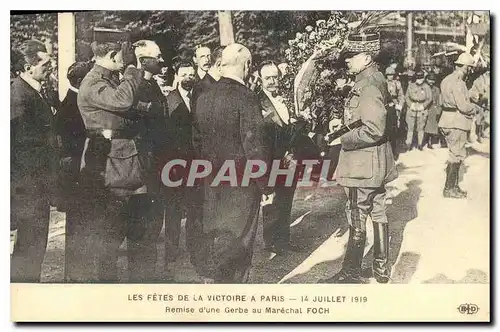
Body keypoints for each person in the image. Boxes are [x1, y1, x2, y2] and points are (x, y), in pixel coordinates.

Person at [319, 32, 398, 284]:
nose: (347, 61)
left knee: (356, 213)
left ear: (366, 57)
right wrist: (343, 125)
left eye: (351, 57)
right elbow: (366, 121)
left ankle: (351, 272)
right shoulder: (374, 79)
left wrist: (342, 139)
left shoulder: (368, 85)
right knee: (378, 211)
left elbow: (374, 129)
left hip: (362, 165)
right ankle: (381, 269)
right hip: (375, 163)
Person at [77, 29, 156, 282]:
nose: (127, 61)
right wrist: (132, 69)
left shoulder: (108, 79)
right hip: (113, 172)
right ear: (112, 55)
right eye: (124, 57)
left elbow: (129, 105)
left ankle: (139, 287)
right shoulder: (93, 83)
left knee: (140, 236)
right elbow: (123, 102)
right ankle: (107, 295)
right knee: (111, 240)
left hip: (131, 168)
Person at [193, 43, 274, 283]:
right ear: (247, 65)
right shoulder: (247, 97)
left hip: (211, 180)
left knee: (217, 238)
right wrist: (265, 184)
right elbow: (254, 146)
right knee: (239, 243)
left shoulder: (203, 95)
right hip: (241, 185)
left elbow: (196, 141)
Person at [11, 39, 58, 282]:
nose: (50, 68)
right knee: (28, 249)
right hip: (28, 189)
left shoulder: (34, 91)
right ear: (29, 66)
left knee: (34, 248)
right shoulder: (19, 97)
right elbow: (20, 149)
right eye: (46, 64)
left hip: (36, 187)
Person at [257, 60, 308, 256]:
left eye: (275, 77)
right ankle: (271, 242)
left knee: (286, 199)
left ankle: (284, 240)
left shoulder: (287, 98)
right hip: (272, 159)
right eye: (267, 78)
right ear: (261, 79)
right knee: (272, 202)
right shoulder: (257, 102)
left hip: (290, 159)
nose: (272, 81)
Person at [162, 62, 203, 274]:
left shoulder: (200, 99)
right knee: (174, 210)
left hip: (196, 164)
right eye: (184, 74)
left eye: (191, 73)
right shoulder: (169, 101)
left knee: (195, 208)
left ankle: (195, 248)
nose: (188, 77)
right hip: (175, 165)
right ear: (177, 76)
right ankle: (171, 250)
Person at [55, 61, 93, 282]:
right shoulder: (71, 105)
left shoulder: (72, 101)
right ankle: (75, 275)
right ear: (80, 81)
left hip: (78, 171)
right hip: (76, 174)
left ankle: (78, 272)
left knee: (80, 224)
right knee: (78, 224)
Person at [438, 52, 476, 199]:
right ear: (464, 67)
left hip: (447, 120)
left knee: (454, 154)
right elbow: (463, 107)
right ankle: (449, 189)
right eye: (469, 67)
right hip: (457, 122)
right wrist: (475, 108)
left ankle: (453, 186)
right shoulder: (459, 83)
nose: (470, 70)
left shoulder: (446, 80)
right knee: (457, 155)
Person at [191, 45, 224, 111]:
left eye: (209, 56)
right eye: (202, 57)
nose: (207, 60)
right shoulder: (192, 80)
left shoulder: (217, 78)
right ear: (195, 60)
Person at [405, 71, 432, 150]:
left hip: (422, 108)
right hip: (412, 108)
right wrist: (411, 105)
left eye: (421, 78)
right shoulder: (411, 86)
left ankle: (420, 144)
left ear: (423, 78)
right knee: (410, 127)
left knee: (421, 127)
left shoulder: (427, 87)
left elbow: (429, 98)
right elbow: (406, 97)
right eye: (418, 78)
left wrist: (423, 106)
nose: (419, 80)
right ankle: (409, 144)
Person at [385, 66, 405, 157]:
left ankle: (394, 150)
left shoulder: (397, 83)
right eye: (389, 75)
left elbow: (401, 95)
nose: (390, 76)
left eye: (392, 75)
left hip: (395, 106)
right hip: (385, 106)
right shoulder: (383, 83)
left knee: (395, 128)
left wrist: (400, 105)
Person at [469, 68, 490, 142]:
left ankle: (480, 134)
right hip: (477, 102)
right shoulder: (479, 80)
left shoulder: (487, 79)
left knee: (482, 119)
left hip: (484, 103)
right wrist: (480, 97)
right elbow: (473, 93)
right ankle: (474, 136)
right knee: (476, 120)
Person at [423, 73, 443, 149]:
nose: (431, 81)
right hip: (426, 109)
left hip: (434, 109)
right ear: (427, 79)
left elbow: (439, 100)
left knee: (433, 127)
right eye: (430, 80)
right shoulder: (424, 88)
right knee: (424, 126)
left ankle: (430, 142)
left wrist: (439, 109)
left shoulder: (437, 89)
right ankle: (422, 141)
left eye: (433, 80)